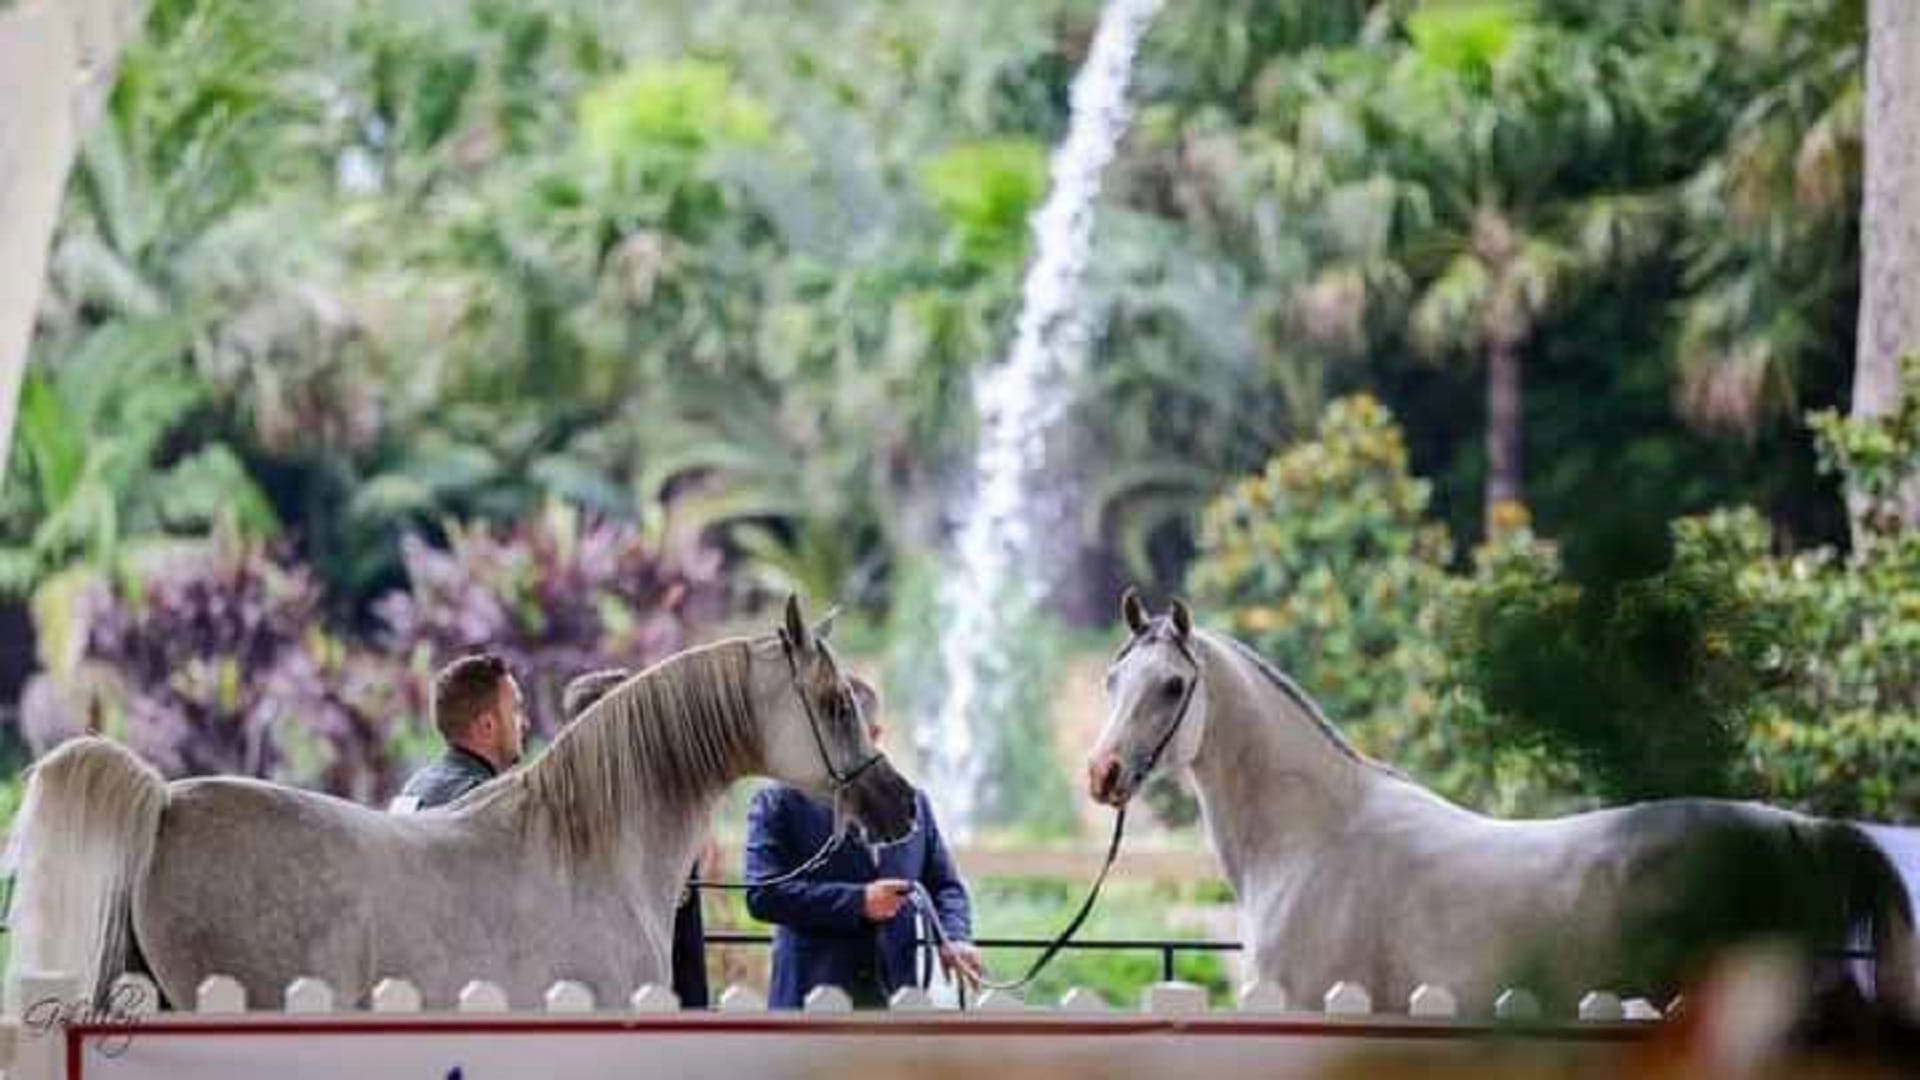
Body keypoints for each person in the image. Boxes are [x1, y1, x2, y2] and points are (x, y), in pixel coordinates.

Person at [744, 694, 984, 1009]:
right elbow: (762, 894)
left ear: (875, 735)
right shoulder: (778, 802)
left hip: (897, 1003)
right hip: (807, 1005)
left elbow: (945, 885)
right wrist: (858, 901)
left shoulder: (915, 802)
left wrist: (955, 936)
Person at [562, 667, 712, 1010]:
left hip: (661, 1013)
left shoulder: (674, 817)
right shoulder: (555, 819)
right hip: (577, 1010)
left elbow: (686, 944)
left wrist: (694, 1021)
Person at [390, 653, 526, 812]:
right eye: (515, 710)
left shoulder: (413, 788)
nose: (524, 723)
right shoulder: (489, 802)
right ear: (487, 725)